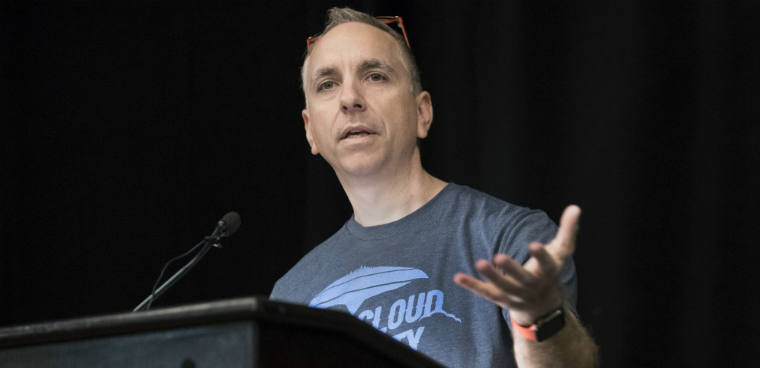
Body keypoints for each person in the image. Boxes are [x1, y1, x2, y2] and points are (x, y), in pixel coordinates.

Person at [270, 7, 598, 367]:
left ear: (422, 113)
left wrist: (539, 318)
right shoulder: (290, 294)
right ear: (310, 131)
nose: (350, 99)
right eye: (327, 84)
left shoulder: (507, 238)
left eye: (375, 76)